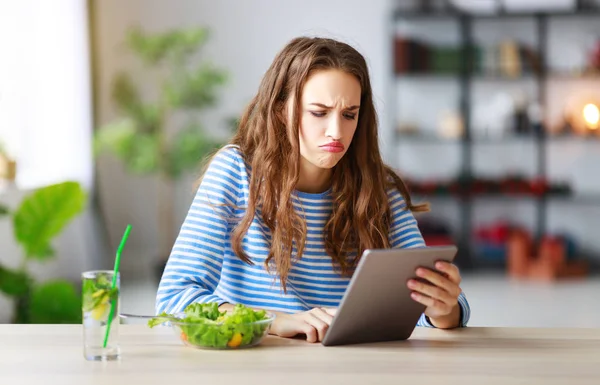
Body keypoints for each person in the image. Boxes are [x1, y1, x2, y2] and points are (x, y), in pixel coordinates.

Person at [156, 36, 470, 343]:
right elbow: (175, 297)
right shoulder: (236, 170)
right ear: (280, 109)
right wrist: (272, 320)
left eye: (350, 115)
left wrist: (444, 310)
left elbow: (428, 304)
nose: (337, 131)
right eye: (318, 112)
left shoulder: (379, 187)